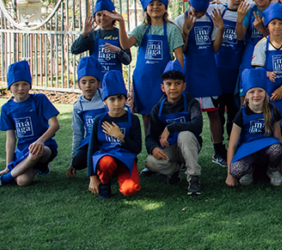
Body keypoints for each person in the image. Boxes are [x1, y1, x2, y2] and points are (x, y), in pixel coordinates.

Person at [0, 60, 60, 188]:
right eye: (16, 84)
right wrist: (7, 166)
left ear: (30, 85)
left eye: (24, 84)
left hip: (44, 147)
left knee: (36, 151)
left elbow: (55, 125)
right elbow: (10, 139)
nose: (20, 88)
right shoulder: (6, 108)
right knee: (22, 181)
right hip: (23, 150)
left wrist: (40, 141)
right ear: (9, 87)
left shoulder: (40, 99)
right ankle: (39, 167)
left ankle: (2, 180)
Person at [113, 0, 183, 133]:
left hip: (163, 82)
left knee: (163, 113)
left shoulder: (172, 29)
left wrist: (177, 81)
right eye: (151, 4)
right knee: (146, 116)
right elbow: (125, 44)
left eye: (159, 3)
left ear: (165, 7)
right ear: (146, 8)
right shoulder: (141, 29)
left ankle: (166, 147)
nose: (155, 7)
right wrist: (121, 23)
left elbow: (179, 58)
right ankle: (152, 148)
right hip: (143, 81)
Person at [175, 0, 225, 166]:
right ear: (189, 4)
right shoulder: (180, 20)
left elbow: (215, 49)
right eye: (195, 11)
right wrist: (186, 33)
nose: (197, 15)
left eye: (201, 12)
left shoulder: (211, 18)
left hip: (209, 74)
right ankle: (184, 154)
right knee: (187, 115)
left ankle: (218, 151)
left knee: (215, 114)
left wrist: (220, 29)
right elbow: (183, 50)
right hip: (189, 74)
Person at [145, 60, 204, 195]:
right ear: (162, 87)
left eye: (177, 83)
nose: (173, 88)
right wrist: (153, 148)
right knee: (150, 162)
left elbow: (198, 125)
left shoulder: (191, 103)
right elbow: (150, 137)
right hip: (169, 148)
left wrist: (171, 128)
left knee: (185, 134)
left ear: (184, 86)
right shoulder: (157, 109)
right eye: (169, 84)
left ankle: (194, 178)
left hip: (189, 146)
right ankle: (175, 170)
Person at [87, 71, 143, 199]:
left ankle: (122, 177)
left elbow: (137, 148)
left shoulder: (133, 119)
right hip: (106, 160)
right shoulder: (99, 120)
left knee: (130, 189)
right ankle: (104, 183)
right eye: (112, 99)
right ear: (105, 101)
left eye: (120, 98)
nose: (117, 103)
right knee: (106, 162)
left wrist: (120, 136)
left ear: (126, 99)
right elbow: (92, 148)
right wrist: (92, 177)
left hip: (126, 159)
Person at [226, 68, 282, 187]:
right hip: (248, 152)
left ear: (265, 93)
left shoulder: (272, 111)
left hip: (267, 151)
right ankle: (248, 170)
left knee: (277, 148)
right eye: (252, 92)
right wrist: (229, 175)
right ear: (246, 96)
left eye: (260, 91)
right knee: (236, 170)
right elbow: (232, 146)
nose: (256, 95)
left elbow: (278, 138)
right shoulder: (241, 114)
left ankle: (273, 170)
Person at [252, 3, 282, 140]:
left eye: (280, 23)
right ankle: (275, 157)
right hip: (268, 93)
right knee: (270, 126)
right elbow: (258, 67)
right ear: (267, 25)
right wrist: (266, 73)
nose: (277, 26)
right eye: (273, 23)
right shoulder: (261, 45)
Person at [213, 0, 247, 143]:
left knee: (234, 111)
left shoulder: (248, 14)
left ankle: (233, 142)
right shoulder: (218, 12)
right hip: (218, 72)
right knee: (217, 112)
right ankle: (218, 148)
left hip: (236, 73)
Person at [70, 0, 131, 74]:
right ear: (95, 18)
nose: (102, 18)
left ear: (113, 16)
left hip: (114, 80)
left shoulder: (120, 34)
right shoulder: (93, 35)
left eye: (105, 14)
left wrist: (118, 51)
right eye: (99, 15)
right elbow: (74, 50)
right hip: (97, 80)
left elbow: (128, 60)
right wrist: (84, 34)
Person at [66, 57, 106, 178]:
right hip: (90, 141)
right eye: (83, 82)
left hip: (107, 140)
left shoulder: (107, 99)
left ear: (99, 83)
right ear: (79, 85)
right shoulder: (78, 107)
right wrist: (72, 159)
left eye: (92, 81)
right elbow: (78, 133)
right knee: (78, 162)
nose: (88, 86)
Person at [237, 0, 272, 82]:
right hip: (251, 52)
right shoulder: (249, 11)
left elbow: (278, 40)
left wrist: (262, 29)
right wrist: (239, 20)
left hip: (269, 52)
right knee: (247, 82)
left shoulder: (274, 10)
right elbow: (240, 36)